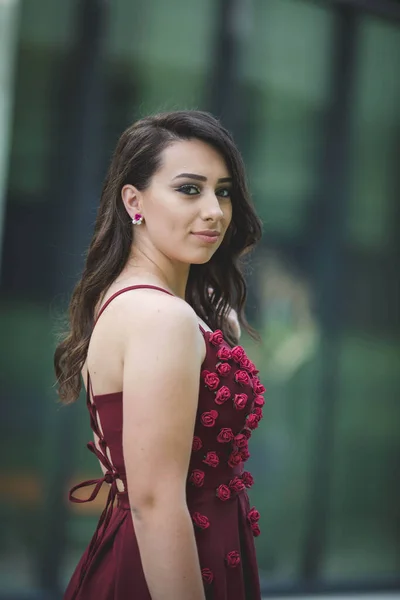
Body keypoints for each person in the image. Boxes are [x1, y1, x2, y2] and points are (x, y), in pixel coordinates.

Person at [54, 110, 265, 600]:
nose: (214, 210)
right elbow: (154, 504)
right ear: (134, 201)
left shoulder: (146, 303)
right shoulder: (159, 318)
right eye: (190, 189)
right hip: (169, 568)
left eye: (224, 191)